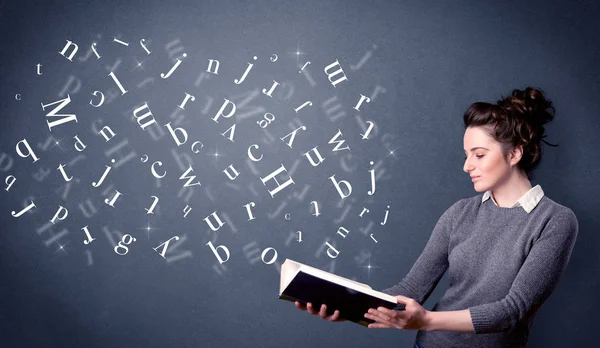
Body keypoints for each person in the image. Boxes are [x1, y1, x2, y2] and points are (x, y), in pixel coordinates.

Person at [294, 87, 579, 348]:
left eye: (479, 155)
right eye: (467, 155)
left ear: (515, 153)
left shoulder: (554, 221)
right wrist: (349, 308)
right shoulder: (460, 213)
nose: (467, 166)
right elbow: (410, 289)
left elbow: (513, 311)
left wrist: (427, 320)